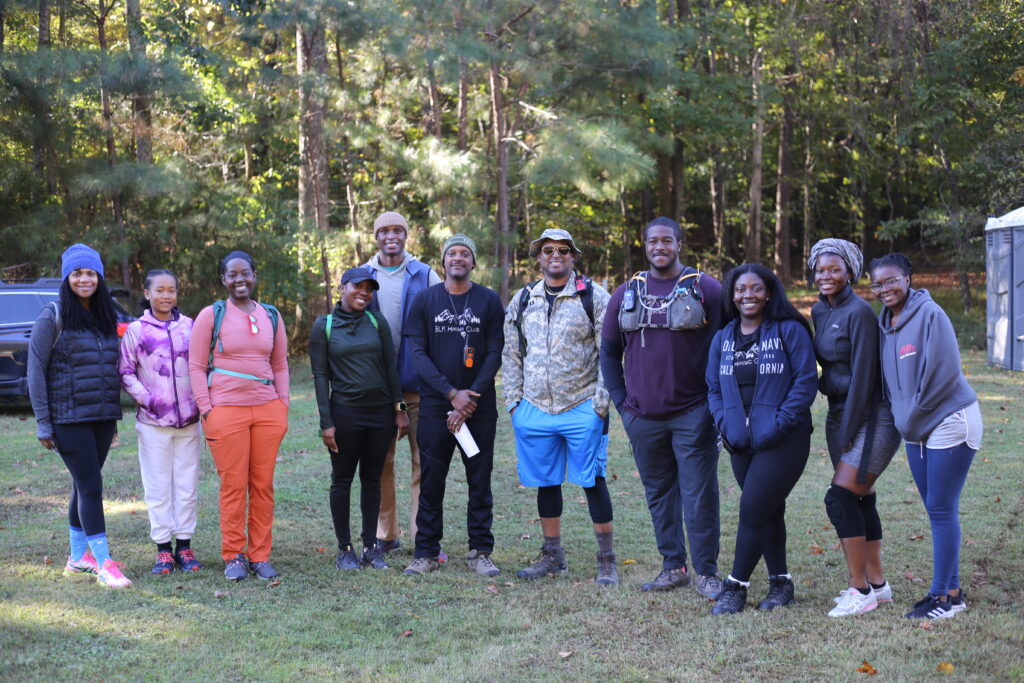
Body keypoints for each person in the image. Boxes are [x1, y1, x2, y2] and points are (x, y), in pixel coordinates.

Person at [600, 217, 723, 598]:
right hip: (642, 416)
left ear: (679, 244)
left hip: (694, 412)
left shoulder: (706, 288)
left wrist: (715, 404)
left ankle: (706, 573)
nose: (660, 247)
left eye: (667, 240)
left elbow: (728, 343)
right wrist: (622, 404)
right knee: (659, 494)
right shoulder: (626, 293)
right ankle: (673, 567)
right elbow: (609, 351)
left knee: (699, 495)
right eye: (653, 241)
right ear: (645, 245)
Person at [869, 253, 982, 620]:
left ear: (908, 278)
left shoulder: (931, 315)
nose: (884, 289)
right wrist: (906, 417)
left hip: (950, 419)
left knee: (942, 508)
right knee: (935, 509)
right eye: (877, 284)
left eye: (891, 280)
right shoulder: (885, 324)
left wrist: (912, 413)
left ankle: (940, 598)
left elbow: (945, 373)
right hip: (916, 429)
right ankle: (954, 593)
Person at [503, 228, 617, 585]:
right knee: (546, 482)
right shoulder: (524, 298)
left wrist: (600, 404)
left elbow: (610, 352)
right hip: (535, 407)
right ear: (538, 256)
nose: (555, 255)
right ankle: (553, 556)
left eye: (563, 250)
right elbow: (511, 353)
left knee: (593, 480)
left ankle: (607, 561)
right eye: (548, 249)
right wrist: (514, 403)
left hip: (582, 404)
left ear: (573, 256)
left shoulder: (593, 296)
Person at [705, 264, 818, 615]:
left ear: (769, 292)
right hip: (740, 442)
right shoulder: (723, 337)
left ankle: (735, 586)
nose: (747, 295)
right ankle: (781, 584)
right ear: (732, 295)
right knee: (768, 511)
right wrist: (725, 424)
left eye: (756, 288)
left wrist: (779, 424)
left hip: (784, 439)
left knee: (752, 509)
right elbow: (713, 388)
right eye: (740, 289)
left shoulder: (789, 330)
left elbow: (805, 382)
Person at [28, 243, 131, 588]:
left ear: (99, 277)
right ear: (66, 278)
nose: (84, 279)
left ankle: (77, 558)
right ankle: (104, 563)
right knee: (91, 486)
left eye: (90, 273)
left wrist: (112, 418)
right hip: (68, 418)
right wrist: (44, 422)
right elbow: (35, 372)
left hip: (102, 417)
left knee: (82, 483)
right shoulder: (53, 316)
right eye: (77, 274)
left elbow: (109, 368)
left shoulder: (106, 316)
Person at [808, 240, 902, 617]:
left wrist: (849, 431)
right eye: (820, 269)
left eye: (834, 269)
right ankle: (878, 585)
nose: (826, 276)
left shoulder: (860, 312)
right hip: (838, 411)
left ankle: (859, 590)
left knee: (841, 497)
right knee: (861, 497)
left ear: (850, 272)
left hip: (872, 413)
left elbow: (864, 377)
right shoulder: (818, 310)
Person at [402, 234, 504, 577]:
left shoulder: (489, 301)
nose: (458, 258)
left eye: (465, 253)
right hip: (435, 406)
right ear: (443, 261)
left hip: (478, 407)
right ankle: (426, 552)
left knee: (480, 480)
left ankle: (480, 552)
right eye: (452, 253)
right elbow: (418, 354)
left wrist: (469, 398)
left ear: (473, 262)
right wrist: (450, 394)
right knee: (431, 480)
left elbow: (495, 352)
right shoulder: (425, 300)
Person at [188, 250, 289, 581]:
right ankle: (234, 555)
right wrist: (206, 409)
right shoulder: (211, 315)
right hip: (225, 410)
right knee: (233, 486)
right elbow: (196, 365)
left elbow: (280, 364)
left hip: (267, 410)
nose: (239, 279)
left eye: (245, 272)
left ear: (254, 276)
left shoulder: (271, 315)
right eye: (232, 274)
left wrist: (282, 405)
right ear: (224, 280)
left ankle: (260, 556)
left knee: (263, 485)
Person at [309, 267, 410, 571]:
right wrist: (326, 422)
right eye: (358, 286)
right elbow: (320, 376)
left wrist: (399, 409)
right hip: (345, 414)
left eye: (369, 288)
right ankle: (345, 550)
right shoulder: (324, 326)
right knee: (342, 480)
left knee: (372, 479)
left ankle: (370, 548)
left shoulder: (376, 322)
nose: (364, 293)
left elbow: (390, 368)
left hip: (380, 415)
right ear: (343, 287)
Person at [361, 211, 442, 556]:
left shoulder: (425, 274)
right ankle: (386, 534)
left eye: (397, 230)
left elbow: (443, 322)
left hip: (420, 387)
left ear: (406, 236)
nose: (391, 236)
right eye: (384, 231)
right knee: (381, 463)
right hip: (379, 390)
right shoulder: (363, 276)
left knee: (425, 464)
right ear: (376, 237)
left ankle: (424, 537)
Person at [119, 269, 204, 575]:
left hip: (189, 422)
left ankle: (184, 546)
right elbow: (125, 372)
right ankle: (163, 550)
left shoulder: (190, 327)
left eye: (171, 290)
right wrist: (150, 399)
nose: (166, 296)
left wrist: (199, 401)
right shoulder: (137, 330)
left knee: (187, 485)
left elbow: (202, 366)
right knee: (157, 487)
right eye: (160, 290)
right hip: (153, 423)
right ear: (147, 293)